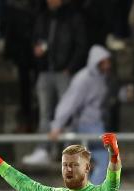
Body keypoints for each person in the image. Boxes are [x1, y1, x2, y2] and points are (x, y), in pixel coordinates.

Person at [22, 0, 87, 165]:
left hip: (64, 73)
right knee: (44, 113)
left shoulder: (73, 17)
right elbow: (36, 39)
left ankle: (69, 151)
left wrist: (70, 68)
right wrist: (37, 52)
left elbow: (81, 44)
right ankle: (44, 149)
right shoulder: (42, 17)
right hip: (45, 71)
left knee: (67, 113)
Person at [48, 45, 113, 185]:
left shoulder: (103, 77)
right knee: (105, 162)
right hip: (87, 125)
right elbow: (69, 102)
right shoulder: (83, 79)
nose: (108, 65)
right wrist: (57, 125)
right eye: (105, 61)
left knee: (103, 163)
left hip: (97, 123)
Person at [0, 0, 40, 133]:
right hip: (23, 53)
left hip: (37, 55)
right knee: (25, 90)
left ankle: (35, 121)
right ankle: (28, 121)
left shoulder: (39, 7)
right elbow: (10, 30)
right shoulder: (14, 8)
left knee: (36, 90)